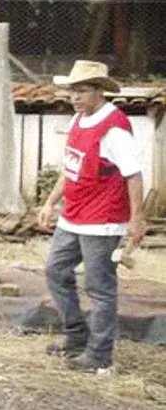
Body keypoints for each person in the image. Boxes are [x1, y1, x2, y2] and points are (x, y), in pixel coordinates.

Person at [37, 60, 146, 373]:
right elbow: (70, 168)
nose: (75, 97)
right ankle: (75, 335)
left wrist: (136, 221)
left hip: (103, 220)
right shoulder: (77, 120)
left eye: (82, 90)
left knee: (99, 287)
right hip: (73, 215)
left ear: (100, 91)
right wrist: (50, 202)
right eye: (72, 90)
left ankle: (99, 353)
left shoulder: (114, 128)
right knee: (56, 271)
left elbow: (134, 176)